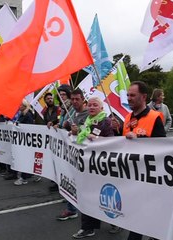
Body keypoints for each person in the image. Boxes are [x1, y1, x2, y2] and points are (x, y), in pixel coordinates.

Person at [112, 81, 166, 240]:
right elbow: (123, 144)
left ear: (143, 97)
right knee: (137, 217)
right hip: (131, 177)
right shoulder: (128, 117)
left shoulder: (154, 117)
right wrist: (117, 132)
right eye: (128, 95)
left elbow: (163, 148)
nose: (128, 98)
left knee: (146, 218)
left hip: (149, 179)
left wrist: (140, 138)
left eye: (132, 95)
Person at [72, 97, 122, 238]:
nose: (92, 107)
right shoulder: (86, 121)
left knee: (107, 196)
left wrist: (95, 138)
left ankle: (117, 222)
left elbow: (112, 141)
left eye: (95, 105)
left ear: (101, 108)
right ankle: (87, 227)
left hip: (104, 167)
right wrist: (76, 133)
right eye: (90, 105)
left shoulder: (107, 122)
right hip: (89, 166)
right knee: (87, 196)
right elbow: (81, 138)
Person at [56, 89, 89, 221]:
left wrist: (78, 130)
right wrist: (65, 126)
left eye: (77, 99)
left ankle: (112, 221)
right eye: (73, 99)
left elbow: (91, 130)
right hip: (75, 155)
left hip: (87, 157)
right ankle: (71, 209)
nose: (74, 102)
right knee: (72, 179)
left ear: (83, 99)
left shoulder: (89, 113)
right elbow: (72, 130)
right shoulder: (74, 113)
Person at [14, 99, 35, 186]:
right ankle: (30, 174)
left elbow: (29, 127)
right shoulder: (22, 114)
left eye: (20, 105)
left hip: (26, 140)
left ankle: (24, 178)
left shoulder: (28, 115)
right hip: (22, 140)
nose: (19, 106)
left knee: (25, 158)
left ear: (24, 106)